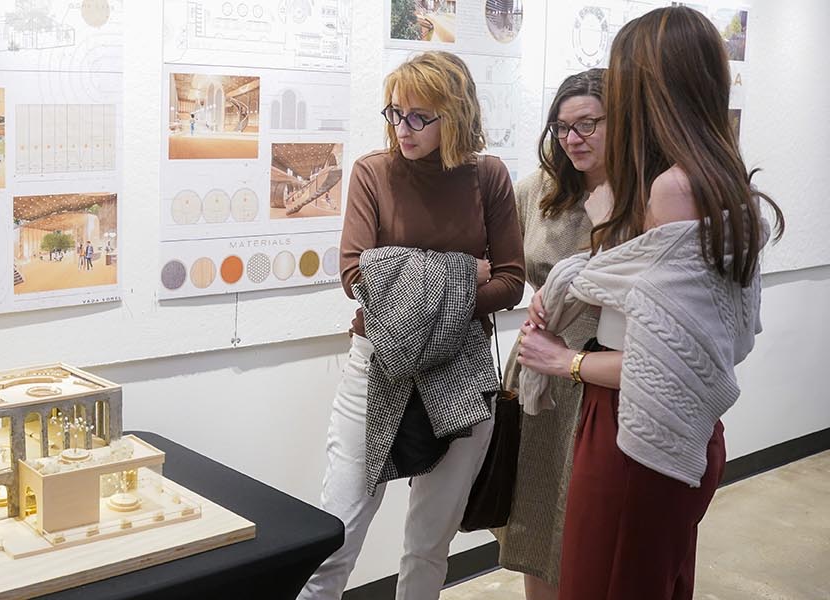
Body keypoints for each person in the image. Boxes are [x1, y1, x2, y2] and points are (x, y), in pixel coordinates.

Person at [515, 7, 782, 599]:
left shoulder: (673, 189)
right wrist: (573, 284)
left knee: (603, 583)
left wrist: (567, 362)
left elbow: (662, 363)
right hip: (676, 432)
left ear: (648, 87)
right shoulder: (718, 175)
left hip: (631, 432)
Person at [298, 50, 525, 600]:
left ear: (458, 116)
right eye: (395, 113)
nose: (404, 128)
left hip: (459, 373)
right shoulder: (373, 172)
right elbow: (355, 275)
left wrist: (406, 285)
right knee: (335, 538)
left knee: (428, 549)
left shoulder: (488, 176)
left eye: (420, 116)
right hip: (378, 367)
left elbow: (512, 283)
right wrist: (461, 275)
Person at [491, 68, 605, 600]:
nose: (571, 139)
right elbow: (500, 266)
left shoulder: (642, 197)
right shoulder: (539, 188)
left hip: (603, 374)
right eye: (561, 128)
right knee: (532, 514)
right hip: (537, 370)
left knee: (587, 521)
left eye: (587, 124)